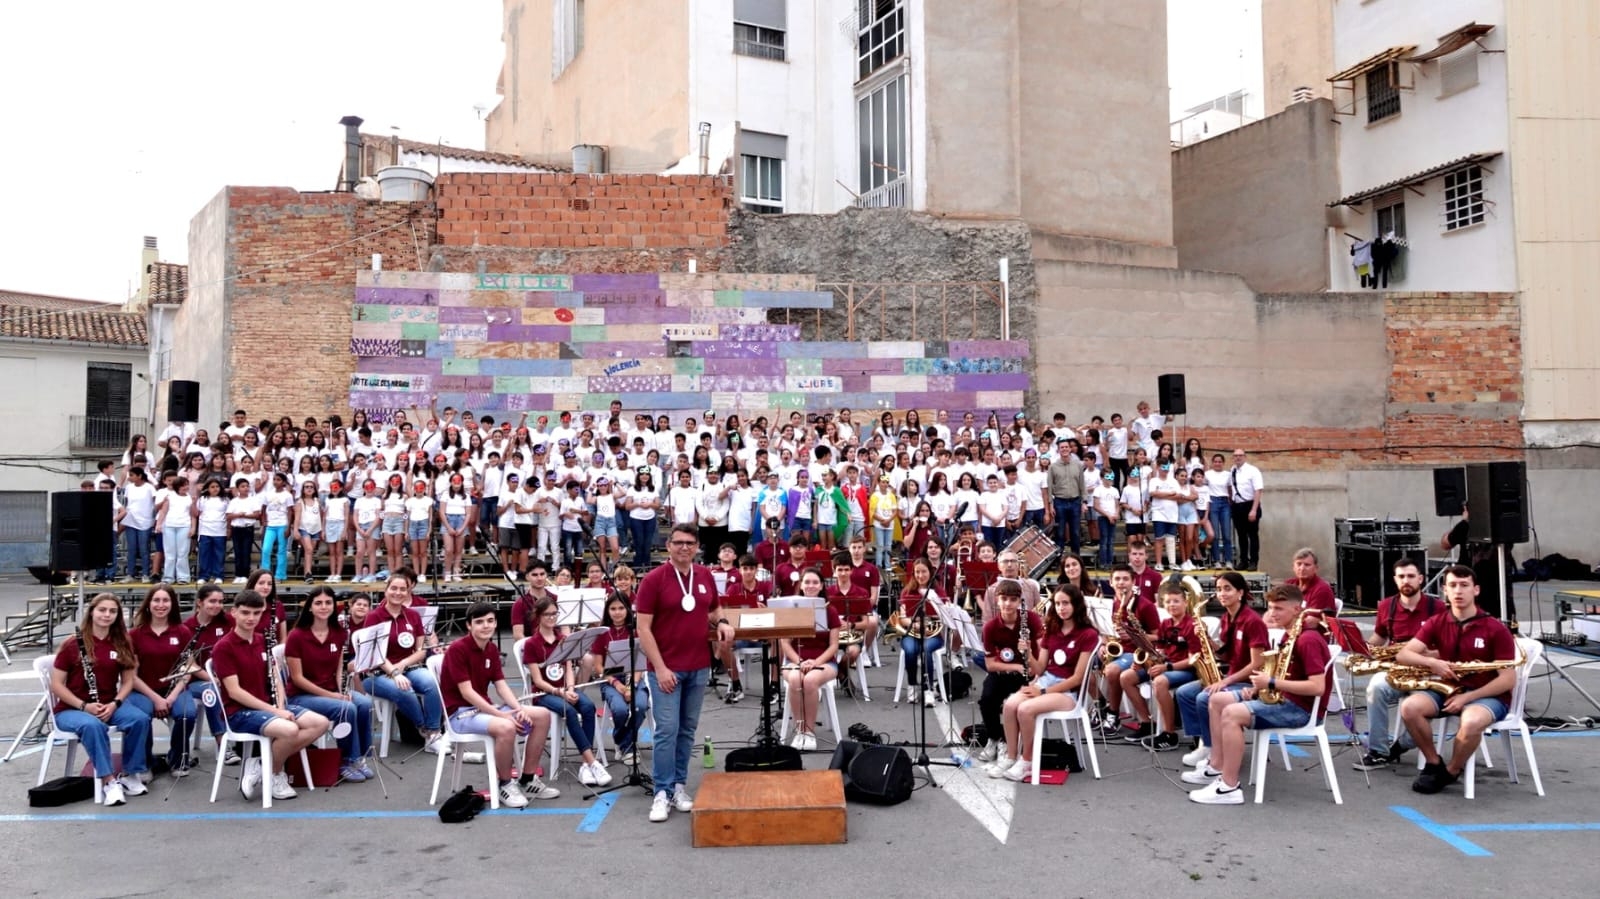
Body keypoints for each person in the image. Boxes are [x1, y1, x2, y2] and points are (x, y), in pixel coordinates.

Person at [1187, 584, 1330, 804]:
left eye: (1279, 608)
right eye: (1271, 607)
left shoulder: (1307, 639)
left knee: (1231, 714)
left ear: (1296, 609)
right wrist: (1257, 688)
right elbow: (1281, 673)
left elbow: (1317, 687)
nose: (1272, 613)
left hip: (1300, 709)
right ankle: (1217, 767)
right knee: (1216, 700)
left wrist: (1271, 682)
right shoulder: (1289, 635)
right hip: (1283, 698)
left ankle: (1228, 787)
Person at [636, 523, 735, 822]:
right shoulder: (653, 580)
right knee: (667, 731)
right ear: (669, 546)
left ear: (697, 547)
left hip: (698, 667)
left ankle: (678, 785)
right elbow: (643, 629)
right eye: (678, 542)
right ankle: (661, 792)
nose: (684, 548)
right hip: (666, 670)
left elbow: (714, 609)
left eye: (690, 543)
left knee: (687, 730)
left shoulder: (704, 576)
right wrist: (662, 668)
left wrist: (723, 622)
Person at [1396, 565, 1519, 795]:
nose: (1458, 591)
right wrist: (1433, 663)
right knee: (1410, 707)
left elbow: (1508, 679)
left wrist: (1468, 698)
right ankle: (1434, 762)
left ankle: (1451, 771)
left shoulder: (1495, 628)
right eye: (1453, 586)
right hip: (1448, 689)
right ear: (1445, 591)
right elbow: (1404, 654)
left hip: (1487, 695)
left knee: (1471, 722)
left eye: (1464, 586)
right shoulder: (1438, 621)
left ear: (1476, 590)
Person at [212, 589, 330, 802]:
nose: (251, 618)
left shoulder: (262, 639)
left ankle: (261, 765)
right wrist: (275, 711)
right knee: (290, 729)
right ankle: (275, 773)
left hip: (268, 705)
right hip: (240, 712)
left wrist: (282, 705)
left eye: (256, 613)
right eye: (246, 613)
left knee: (320, 723)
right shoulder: (224, 647)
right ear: (234, 612)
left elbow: (275, 676)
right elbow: (235, 692)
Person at [439, 601, 561, 807]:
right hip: (460, 714)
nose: (486, 626)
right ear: (469, 625)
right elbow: (466, 693)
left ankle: (528, 778)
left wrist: (518, 709)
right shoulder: (457, 649)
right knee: (506, 726)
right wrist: (503, 715)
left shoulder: (491, 648)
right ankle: (504, 783)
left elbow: (501, 686)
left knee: (541, 714)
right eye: (479, 622)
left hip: (484, 709)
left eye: (490, 621)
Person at [51, 593, 154, 805]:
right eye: (102, 610)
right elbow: (56, 685)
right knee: (93, 726)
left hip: (107, 704)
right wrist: (84, 705)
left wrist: (115, 703)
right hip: (72, 709)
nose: (107, 615)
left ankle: (130, 774)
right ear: (92, 612)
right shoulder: (73, 644)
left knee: (140, 719)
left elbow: (128, 681)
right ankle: (108, 781)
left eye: (112, 611)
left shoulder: (121, 642)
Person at [988, 584, 1096, 782]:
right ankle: (1011, 756)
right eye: (1057, 604)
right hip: (1046, 682)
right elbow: (1039, 669)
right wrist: (1027, 653)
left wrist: (1043, 691)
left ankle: (1027, 760)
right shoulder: (1052, 631)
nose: (1061, 608)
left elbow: (1077, 678)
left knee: (1025, 710)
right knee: (1010, 705)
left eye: (1066, 603)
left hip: (1068, 692)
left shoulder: (1087, 634)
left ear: (1076, 605)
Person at [1176, 571, 1269, 773]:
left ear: (1241, 593)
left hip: (1250, 681)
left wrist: (1225, 682)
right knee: (1184, 693)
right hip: (1233, 675)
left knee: (1204, 697)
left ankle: (1214, 749)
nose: (1222, 594)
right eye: (1218, 589)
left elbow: (1257, 663)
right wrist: (1211, 645)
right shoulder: (1227, 618)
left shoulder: (1252, 621)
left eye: (1227, 589)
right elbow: (1228, 657)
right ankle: (1205, 743)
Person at [1354, 557, 1441, 771]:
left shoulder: (1437, 607)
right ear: (1395, 579)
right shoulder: (1386, 606)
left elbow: (1448, 646)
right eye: (1401, 577)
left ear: (1421, 579)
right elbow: (1379, 637)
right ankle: (1378, 751)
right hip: (1396, 669)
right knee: (1375, 688)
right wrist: (1363, 650)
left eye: (1411, 576)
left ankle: (1400, 746)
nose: (1406, 581)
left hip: (1427, 670)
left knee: (1418, 711)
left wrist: (1427, 655)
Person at [520, 594, 612, 787]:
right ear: (538, 615)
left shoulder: (563, 639)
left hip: (564, 689)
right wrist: (560, 692)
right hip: (543, 694)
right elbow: (537, 680)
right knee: (568, 711)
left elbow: (569, 669)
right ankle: (591, 761)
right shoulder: (532, 644)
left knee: (587, 706)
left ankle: (584, 767)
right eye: (547, 614)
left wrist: (570, 688)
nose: (552, 618)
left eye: (555, 614)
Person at [284, 587, 374, 784]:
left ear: (334, 606)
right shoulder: (296, 636)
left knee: (364, 704)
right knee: (346, 707)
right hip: (301, 695)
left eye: (328, 603)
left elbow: (339, 669)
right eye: (318, 603)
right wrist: (334, 696)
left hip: (331, 691)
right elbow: (298, 679)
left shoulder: (339, 633)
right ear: (309, 607)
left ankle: (360, 757)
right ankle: (346, 760)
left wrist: (343, 691)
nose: (324, 607)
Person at [362, 571, 444, 754]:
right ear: (386, 590)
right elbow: (375, 653)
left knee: (432, 683)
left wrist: (403, 665)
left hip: (408, 667)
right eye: (394, 588)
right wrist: (394, 672)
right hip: (377, 673)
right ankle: (425, 730)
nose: (398, 593)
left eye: (402, 589)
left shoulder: (413, 616)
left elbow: (421, 650)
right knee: (404, 690)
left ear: (408, 592)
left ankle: (435, 732)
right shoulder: (374, 617)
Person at [127, 583, 201, 776]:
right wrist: (156, 699)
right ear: (148, 604)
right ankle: (145, 763)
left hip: (174, 689)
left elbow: (188, 669)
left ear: (172, 604)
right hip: (143, 690)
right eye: (156, 600)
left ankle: (177, 759)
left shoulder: (182, 631)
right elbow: (131, 676)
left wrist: (172, 696)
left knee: (187, 715)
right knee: (141, 718)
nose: (161, 605)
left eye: (166, 600)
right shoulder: (134, 634)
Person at [975, 580, 1043, 765]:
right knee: (987, 699)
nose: (1007, 604)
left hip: (1030, 674)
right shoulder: (990, 627)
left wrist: (1029, 656)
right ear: (997, 600)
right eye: (1004, 599)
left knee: (1015, 706)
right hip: (1004, 671)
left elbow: (1043, 650)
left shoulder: (1031, 620)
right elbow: (990, 664)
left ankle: (1008, 742)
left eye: (1013, 600)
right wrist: (1015, 667)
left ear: (1020, 601)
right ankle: (994, 739)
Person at [1135, 579, 1204, 751]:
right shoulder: (1166, 624)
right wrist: (1145, 661)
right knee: (1128, 677)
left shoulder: (1191, 625)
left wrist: (1166, 667)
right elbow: (1163, 650)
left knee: (1159, 681)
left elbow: (1193, 659)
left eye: (1176, 601)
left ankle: (1170, 733)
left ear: (1185, 603)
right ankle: (1146, 722)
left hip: (1187, 670)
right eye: (1168, 602)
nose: (1171, 605)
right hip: (1168, 665)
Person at [1098, 563, 1163, 739]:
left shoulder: (1145, 605)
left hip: (1139, 653)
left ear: (1133, 582)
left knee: (1112, 671)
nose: (1121, 583)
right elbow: (1105, 632)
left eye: (1125, 579)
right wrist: (1104, 645)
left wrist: (1132, 636)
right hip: (1117, 651)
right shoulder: (1109, 605)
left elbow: (1159, 636)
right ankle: (1100, 708)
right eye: (1117, 579)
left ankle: (1112, 713)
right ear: (1110, 583)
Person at [779, 568, 841, 750]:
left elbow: (834, 646)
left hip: (824, 661)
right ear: (801, 585)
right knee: (796, 679)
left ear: (822, 586)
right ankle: (800, 730)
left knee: (811, 680)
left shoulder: (831, 611)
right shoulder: (791, 611)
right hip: (794, 660)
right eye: (807, 582)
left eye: (815, 582)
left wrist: (815, 662)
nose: (811, 586)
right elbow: (785, 644)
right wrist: (799, 661)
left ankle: (809, 731)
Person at [589, 594, 651, 765]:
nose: (617, 613)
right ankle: (627, 745)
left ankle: (623, 743)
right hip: (611, 680)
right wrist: (617, 684)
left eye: (621, 608)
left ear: (628, 609)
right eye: (613, 609)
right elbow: (599, 668)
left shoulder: (636, 631)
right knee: (620, 710)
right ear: (607, 611)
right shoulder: (602, 634)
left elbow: (641, 663)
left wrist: (633, 685)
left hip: (634, 677)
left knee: (639, 706)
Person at [897, 556, 947, 707]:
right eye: (917, 572)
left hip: (933, 634)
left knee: (926, 650)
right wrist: (914, 625)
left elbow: (944, 617)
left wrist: (928, 622)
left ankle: (928, 689)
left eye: (923, 572)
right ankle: (912, 684)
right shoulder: (907, 591)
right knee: (910, 650)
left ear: (930, 572)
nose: (920, 576)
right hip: (913, 631)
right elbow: (903, 618)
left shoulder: (938, 592)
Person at [827, 551, 876, 674]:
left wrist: (851, 625)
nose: (843, 573)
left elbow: (866, 623)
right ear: (834, 571)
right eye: (840, 570)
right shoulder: (827, 593)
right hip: (832, 635)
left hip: (852, 635)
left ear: (851, 571)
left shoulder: (862, 593)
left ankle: (839, 673)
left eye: (846, 570)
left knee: (853, 652)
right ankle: (843, 677)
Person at [1227, 449, 1264, 571]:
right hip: (1237, 506)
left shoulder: (1253, 471)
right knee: (1241, 535)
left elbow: (1258, 490)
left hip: (1250, 504)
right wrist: (1231, 501)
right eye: (1235, 456)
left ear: (1245, 457)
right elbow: (1230, 486)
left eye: (1240, 455)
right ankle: (1243, 560)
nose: (1238, 458)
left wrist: (1253, 509)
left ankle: (1253, 561)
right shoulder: (1232, 470)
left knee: (1252, 535)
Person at [1047, 438, 1085, 558]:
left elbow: (1082, 484)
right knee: (1060, 532)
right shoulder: (1053, 467)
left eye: (1066, 447)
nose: (1064, 449)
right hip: (1060, 502)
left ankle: (1076, 558)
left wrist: (1084, 501)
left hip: (1075, 501)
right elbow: (1049, 486)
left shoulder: (1078, 465)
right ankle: (1058, 559)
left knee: (1075, 532)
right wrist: (1050, 504)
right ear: (1058, 450)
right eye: (1062, 447)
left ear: (1070, 449)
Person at [1288, 548, 1338, 614]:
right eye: (1299, 564)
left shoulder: (1322, 589)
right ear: (1293, 567)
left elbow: (1311, 622)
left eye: (1307, 565)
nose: (1302, 568)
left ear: (1316, 568)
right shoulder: (1288, 585)